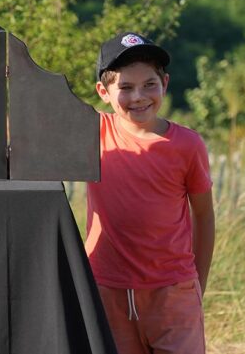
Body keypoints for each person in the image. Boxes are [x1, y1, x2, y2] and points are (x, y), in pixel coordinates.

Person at [87, 32, 216, 354]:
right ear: (104, 91)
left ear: (165, 84)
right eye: (125, 88)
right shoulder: (90, 134)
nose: (138, 97)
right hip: (107, 289)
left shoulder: (187, 145)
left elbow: (203, 214)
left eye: (149, 85)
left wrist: (196, 283)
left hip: (173, 291)